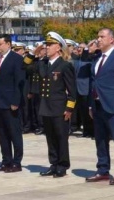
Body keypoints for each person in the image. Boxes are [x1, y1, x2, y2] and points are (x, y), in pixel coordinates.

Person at [86, 28, 114, 185]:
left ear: (111, 39)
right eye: (98, 36)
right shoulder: (97, 58)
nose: (99, 39)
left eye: (102, 36)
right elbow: (94, 82)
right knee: (100, 140)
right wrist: (91, 105)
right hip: (98, 105)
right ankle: (103, 170)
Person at [28, 32, 77, 178]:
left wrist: (69, 108)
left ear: (58, 48)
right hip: (45, 106)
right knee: (50, 138)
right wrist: (32, 54)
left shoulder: (64, 65)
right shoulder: (43, 63)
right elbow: (24, 67)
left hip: (59, 107)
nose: (47, 47)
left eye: (50, 45)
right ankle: (54, 163)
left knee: (61, 137)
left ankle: (62, 165)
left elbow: (72, 91)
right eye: (46, 45)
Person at [0, 34, 26, 173]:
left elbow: (19, 82)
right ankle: (6, 160)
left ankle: (16, 162)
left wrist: (15, 101)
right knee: (2, 134)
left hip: (10, 103)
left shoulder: (17, 59)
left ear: (8, 44)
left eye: (0, 44)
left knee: (14, 133)